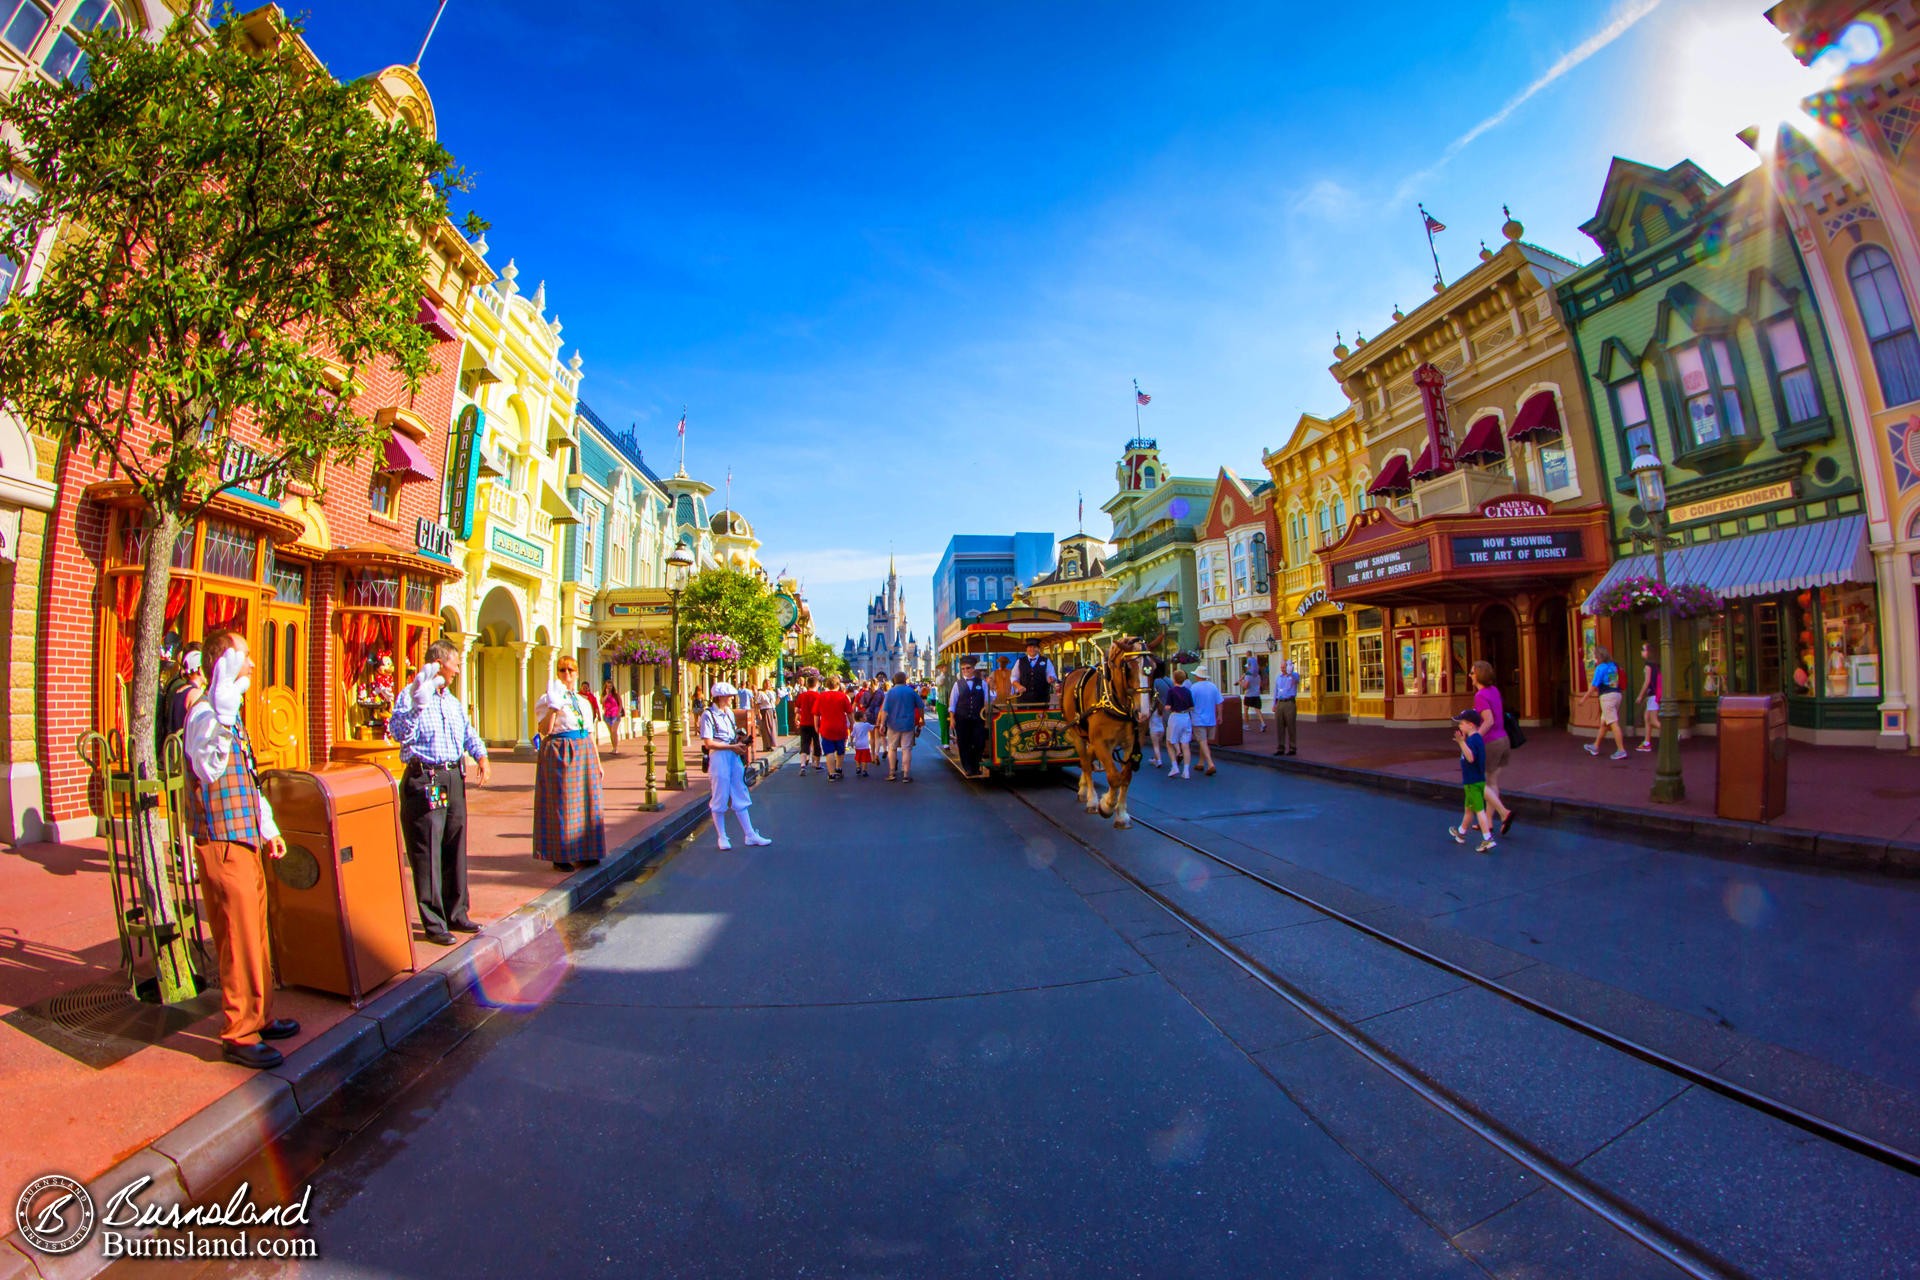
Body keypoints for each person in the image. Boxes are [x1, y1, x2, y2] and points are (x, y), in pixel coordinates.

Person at [183, 630, 298, 1068]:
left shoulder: (231, 714)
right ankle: (239, 1033)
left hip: (246, 839)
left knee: (257, 937)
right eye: (244, 656)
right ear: (224, 663)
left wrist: (268, 828)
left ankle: (260, 1015)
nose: (252, 664)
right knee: (237, 939)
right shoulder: (204, 714)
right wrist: (224, 718)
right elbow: (208, 768)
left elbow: (247, 782)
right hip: (223, 843)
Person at [387, 638, 491, 945]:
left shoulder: (450, 700)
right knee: (428, 847)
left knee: (454, 843)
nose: (458, 669)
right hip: (427, 778)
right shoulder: (412, 695)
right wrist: (418, 706)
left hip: (452, 776)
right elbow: (398, 732)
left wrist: (481, 755)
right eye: (455, 663)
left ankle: (457, 911)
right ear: (440, 663)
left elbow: (466, 731)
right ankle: (433, 922)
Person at [532, 656, 606, 872]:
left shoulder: (583, 701)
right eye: (562, 670)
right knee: (563, 803)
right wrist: (554, 708)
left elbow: (590, 734)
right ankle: (561, 854)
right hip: (561, 750)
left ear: (577, 673)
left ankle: (586, 851)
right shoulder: (548, 698)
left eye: (571, 670)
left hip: (583, 749)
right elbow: (544, 730)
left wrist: (597, 762)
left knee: (587, 802)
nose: (567, 675)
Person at [699, 683, 771, 849]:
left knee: (740, 791)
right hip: (719, 757)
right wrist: (731, 747)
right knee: (720, 794)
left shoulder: (729, 713)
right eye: (729, 696)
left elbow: (732, 735)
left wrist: (740, 743)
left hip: (732, 755)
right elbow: (708, 742)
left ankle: (750, 834)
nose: (731, 698)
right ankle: (722, 837)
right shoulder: (708, 715)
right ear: (720, 697)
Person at [1470, 660, 1515, 836]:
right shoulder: (1494, 691)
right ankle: (1487, 822)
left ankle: (1504, 812)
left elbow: (1488, 720)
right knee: (1492, 782)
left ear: (1479, 675)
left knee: (1477, 781)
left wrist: (1475, 738)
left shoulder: (1480, 696)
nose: (1470, 676)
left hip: (1490, 742)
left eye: (1472, 672)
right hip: (1503, 739)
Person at [1448, 708, 1497, 852]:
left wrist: (1461, 743)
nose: (1459, 726)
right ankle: (1461, 832)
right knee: (1468, 809)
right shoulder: (1475, 739)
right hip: (1474, 780)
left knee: (1479, 810)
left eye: (1462, 723)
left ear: (1471, 725)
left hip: (1473, 782)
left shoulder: (1473, 740)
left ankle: (1487, 838)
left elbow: (1470, 758)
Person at [1581, 646, 1629, 760]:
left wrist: (1584, 699)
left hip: (1607, 697)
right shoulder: (1613, 665)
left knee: (1613, 723)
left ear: (1599, 656)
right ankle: (1595, 746)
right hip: (1616, 694)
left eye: (1594, 656)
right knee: (1604, 723)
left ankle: (1621, 750)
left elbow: (1594, 685)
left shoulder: (1600, 668)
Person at [948, 656, 993, 777]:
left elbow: (990, 698)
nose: (965, 671)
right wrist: (952, 718)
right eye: (963, 669)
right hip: (962, 718)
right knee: (964, 743)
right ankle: (968, 767)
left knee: (979, 742)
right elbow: (952, 703)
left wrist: (991, 686)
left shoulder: (982, 683)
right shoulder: (957, 685)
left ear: (973, 669)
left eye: (968, 668)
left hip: (977, 718)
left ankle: (976, 765)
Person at [160, 642, 206, 759]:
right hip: (183, 757)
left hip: (171, 752)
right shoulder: (195, 694)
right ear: (200, 670)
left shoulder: (179, 690)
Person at [878, 671, 924, 782]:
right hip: (908, 724)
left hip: (893, 725)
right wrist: (921, 718)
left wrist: (882, 724)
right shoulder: (911, 692)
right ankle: (906, 775)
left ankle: (892, 772)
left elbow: (885, 710)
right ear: (905, 680)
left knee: (892, 749)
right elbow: (921, 706)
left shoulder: (890, 692)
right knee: (906, 749)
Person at [813, 675, 855, 781]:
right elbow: (850, 713)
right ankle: (839, 768)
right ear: (838, 685)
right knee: (840, 749)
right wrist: (852, 725)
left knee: (829, 750)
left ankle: (831, 773)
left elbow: (816, 714)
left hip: (826, 726)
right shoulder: (843, 697)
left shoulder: (821, 696)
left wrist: (816, 726)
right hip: (840, 726)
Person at [1187, 667, 1223, 776]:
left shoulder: (1194, 688)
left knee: (1202, 741)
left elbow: (1190, 704)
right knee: (1204, 742)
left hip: (1198, 718)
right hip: (1211, 718)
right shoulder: (1213, 687)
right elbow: (1219, 702)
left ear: (1198, 676)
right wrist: (1220, 715)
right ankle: (1201, 762)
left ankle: (1210, 763)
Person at [1163, 668, 1195, 778]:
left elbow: (1167, 707)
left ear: (1174, 679)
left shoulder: (1171, 691)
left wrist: (1167, 707)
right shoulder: (1187, 691)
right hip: (1186, 717)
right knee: (1185, 745)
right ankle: (1186, 771)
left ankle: (1174, 766)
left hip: (1175, 716)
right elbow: (1192, 707)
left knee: (1170, 742)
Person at [1010, 641, 1058, 707]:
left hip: (1042, 699)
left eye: (1034, 647)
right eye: (1030, 647)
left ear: (1038, 649)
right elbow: (1013, 678)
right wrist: (1018, 686)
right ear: (1026, 649)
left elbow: (1051, 675)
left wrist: (1051, 679)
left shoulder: (1046, 661)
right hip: (1024, 699)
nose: (1032, 649)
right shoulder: (1020, 661)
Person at [1270, 658, 1301, 756]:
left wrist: (1290, 672)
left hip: (1289, 703)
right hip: (1280, 702)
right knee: (1279, 726)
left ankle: (1292, 747)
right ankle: (1280, 747)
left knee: (1291, 726)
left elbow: (1296, 679)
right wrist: (1274, 704)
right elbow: (1276, 691)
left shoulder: (1294, 675)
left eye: (1284, 667)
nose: (1282, 669)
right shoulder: (1279, 677)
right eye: (1281, 667)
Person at [1636, 641, 1662, 753]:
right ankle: (1647, 742)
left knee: (1653, 720)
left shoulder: (1648, 666)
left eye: (1644, 649)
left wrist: (1640, 696)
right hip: (1654, 694)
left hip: (1652, 695)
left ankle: (1673, 734)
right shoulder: (1656, 665)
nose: (1642, 652)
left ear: (1649, 652)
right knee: (1647, 717)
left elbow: (1647, 682)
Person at [793, 674, 820, 774]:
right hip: (815, 723)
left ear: (807, 684)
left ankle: (803, 765)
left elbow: (797, 709)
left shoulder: (802, 696)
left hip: (804, 723)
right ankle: (816, 764)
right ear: (816, 684)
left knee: (804, 744)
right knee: (816, 743)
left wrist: (797, 719)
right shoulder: (818, 696)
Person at [1239, 656, 1267, 732]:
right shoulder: (1258, 676)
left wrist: (1240, 682)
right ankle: (1263, 723)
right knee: (1258, 710)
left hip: (1249, 695)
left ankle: (1246, 725)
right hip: (1256, 694)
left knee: (1245, 709)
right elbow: (1260, 684)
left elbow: (1246, 685)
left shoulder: (1248, 676)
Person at [600, 678, 624, 756]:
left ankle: (616, 748)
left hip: (615, 715)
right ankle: (613, 747)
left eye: (611, 686)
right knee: (611, 733)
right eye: (608, 686)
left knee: (614, 731)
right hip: (607, 715)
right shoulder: (604, 695)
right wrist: (607, 694)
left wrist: (618, 712)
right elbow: (602, 702)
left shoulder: (616, 695)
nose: (609, 688)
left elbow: (620, 704)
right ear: (605, 687)